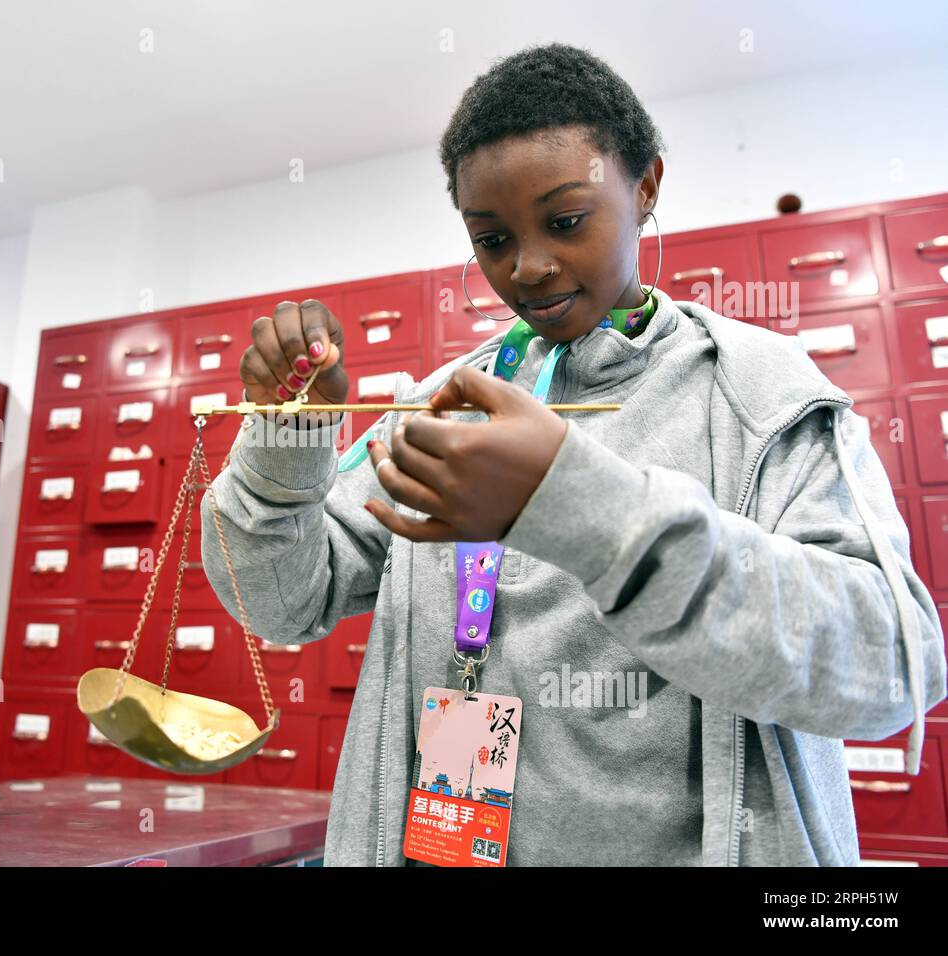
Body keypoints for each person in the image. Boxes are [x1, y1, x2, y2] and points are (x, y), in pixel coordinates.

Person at [199, 42, 946, 866]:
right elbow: (281, 602)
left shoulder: (759, 393)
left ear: (646, 187)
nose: (529, 267)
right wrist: (289, 436)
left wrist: (577, 505)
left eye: (565, 221)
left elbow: (891, 668)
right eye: (491, 239)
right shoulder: (450, 400)